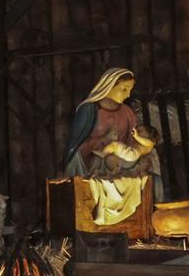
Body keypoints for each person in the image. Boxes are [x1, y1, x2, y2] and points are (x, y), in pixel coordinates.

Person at [62, 68, 160, 229]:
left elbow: (135, 143)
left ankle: (144, 224)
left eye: (129, 90)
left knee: (152, 180)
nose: (128, 94)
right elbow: (77, 143)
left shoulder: (127, 113)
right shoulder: (89, 110)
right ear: (109, 85)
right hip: (90, 161)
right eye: (124, 89)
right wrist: (103, 142)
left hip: (120, 161)